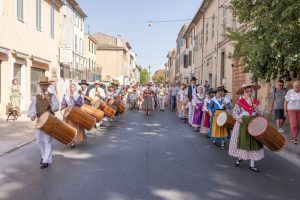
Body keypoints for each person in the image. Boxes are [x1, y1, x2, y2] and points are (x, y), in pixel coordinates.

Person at [228, 83, 264, 173]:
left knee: (253, 143)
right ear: (244, 92)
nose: (249, 92)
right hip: (243, 124)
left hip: (254, 123)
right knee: (243, 141)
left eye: (250, 91)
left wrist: (256, 109)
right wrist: (239, 119)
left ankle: (252, 165)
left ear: (252, 91)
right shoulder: (240, 102)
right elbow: (235, 113)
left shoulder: (256, 101)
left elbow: (261, 113)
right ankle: (239, 158)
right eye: (247, 91)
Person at [27, 76, 59, 169]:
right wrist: (32, 115)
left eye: (44, 85)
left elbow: (56, 106)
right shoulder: (36, 97)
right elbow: (32, 108)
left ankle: (46, 160)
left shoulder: (52, 96)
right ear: (40, 86)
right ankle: (44, 155)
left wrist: (51, 108)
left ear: (47, 86)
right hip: (40, 120)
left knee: (48, 140)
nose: (42, 87)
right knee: (39, 139)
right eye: (41, 85)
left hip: (49, 120)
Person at [60, 83, 85, 148]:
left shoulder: (78, 96)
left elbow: (79, 105)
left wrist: (74, 99)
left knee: (73, 127)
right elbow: (64, 103)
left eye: (73, 87)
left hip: (75, 112)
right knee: (67, 126)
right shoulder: (66, 95)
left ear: (75, 88)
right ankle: (70, 140)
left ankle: (73, 141)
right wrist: (62, 107)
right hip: (67, 112)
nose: (71, 89)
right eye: (70, 87)